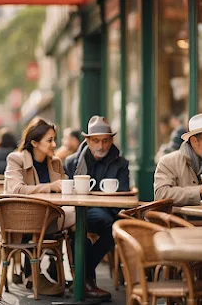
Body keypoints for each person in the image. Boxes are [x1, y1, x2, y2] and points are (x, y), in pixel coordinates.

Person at [4, 117, 74, 291]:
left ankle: (78, 275)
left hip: (51, 217)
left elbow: (64, 188)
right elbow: (16, 190)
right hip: (23, 220)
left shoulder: (56, 162)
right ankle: (35, 272)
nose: (54, 144)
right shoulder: (16, 159)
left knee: (83, 219)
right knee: (77, 219)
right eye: (49, 140)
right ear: (34, 142)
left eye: (54, 139)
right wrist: (50, 187)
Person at [64, 116, 129, 301]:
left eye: (105, 140)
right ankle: (86, 281)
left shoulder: (120, 163)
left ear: (111, 140)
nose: (100, 146)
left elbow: (123, 191)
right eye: (96, 141)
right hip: (77, 213)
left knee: (113, 228)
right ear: (87, 141)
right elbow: (66, 191)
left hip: (107, 213)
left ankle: (82, 276)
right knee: (78, 230)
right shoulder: (72, 162)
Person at [154, 113, 202, 206]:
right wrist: (198, 191)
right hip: (178, 220)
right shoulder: (168, 162)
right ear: (194, 141)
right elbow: (161, 194)